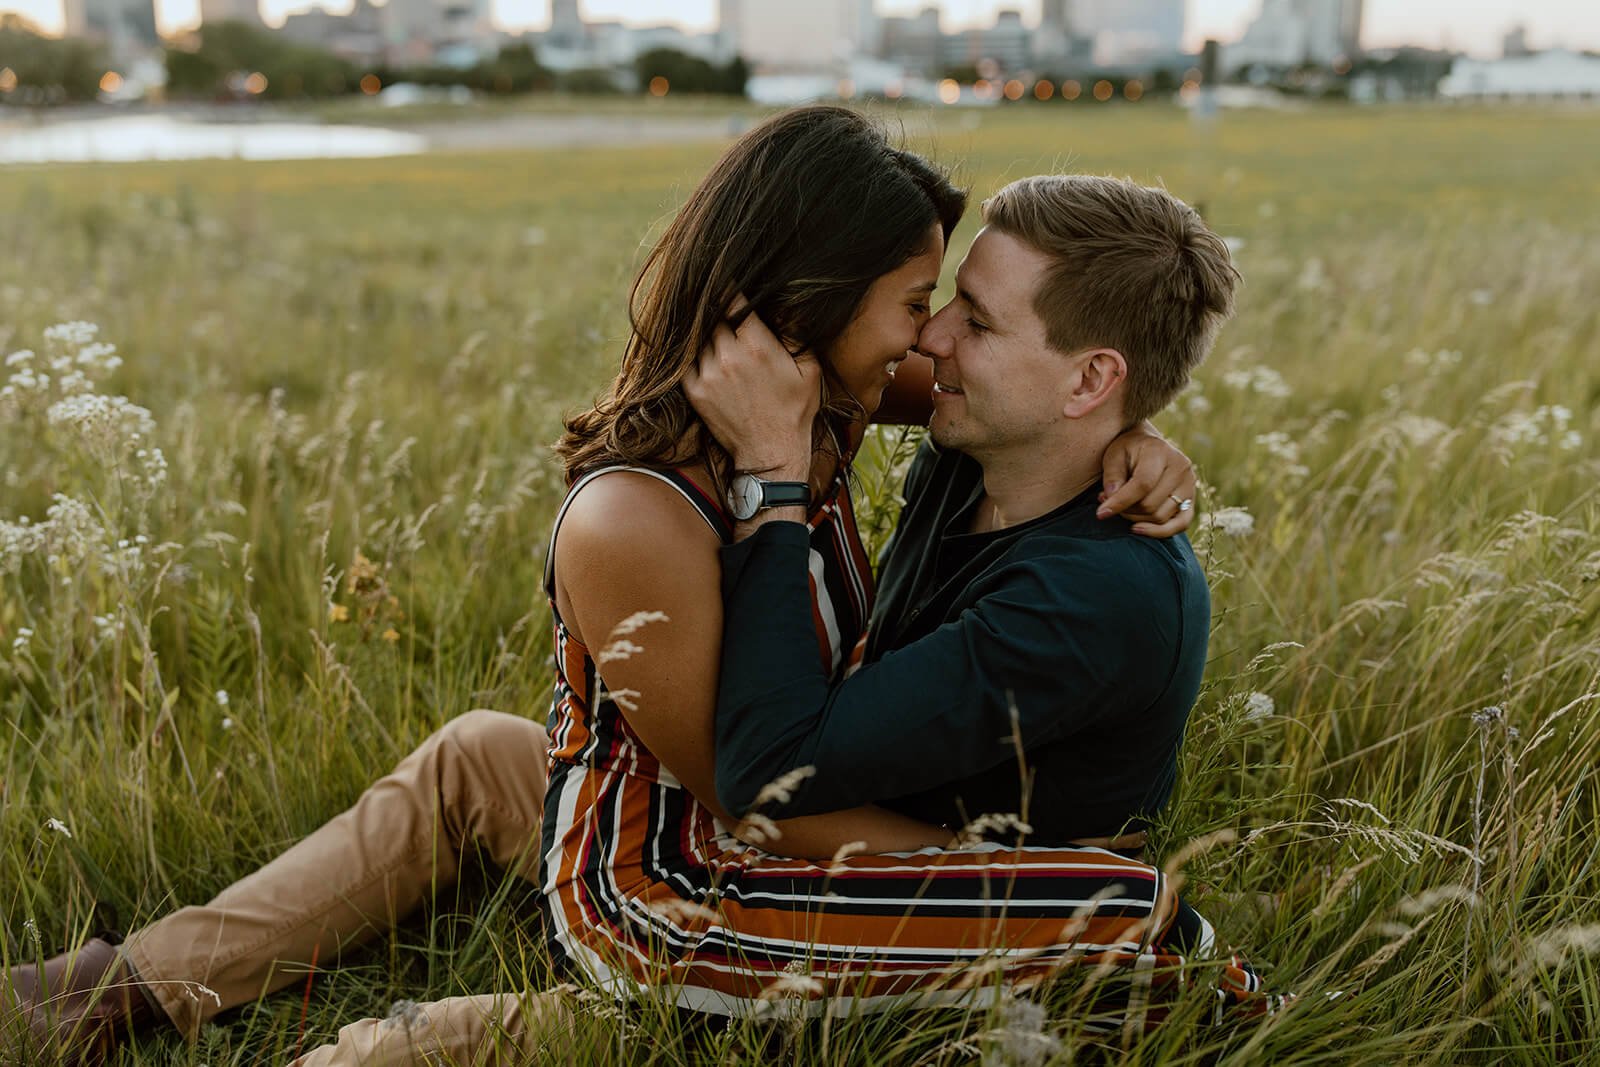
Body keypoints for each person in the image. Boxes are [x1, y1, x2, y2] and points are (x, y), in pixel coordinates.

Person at [2, 107, 1206, 1066]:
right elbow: (758, 794)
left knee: (456, 914)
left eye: (954, 313)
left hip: (792, 863)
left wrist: (1132, 440)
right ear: (808, 317)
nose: (928, 342)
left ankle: (606, 1025)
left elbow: (1021, 414)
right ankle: (109, 994)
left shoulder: (855, 410)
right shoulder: (678, 495)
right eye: (914, 306)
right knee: (484, 756)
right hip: (723, 842)